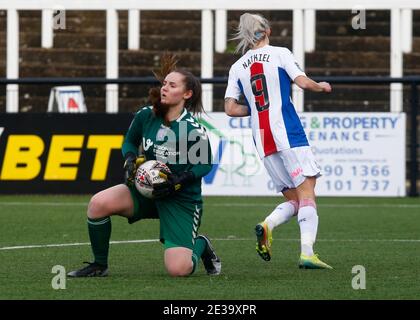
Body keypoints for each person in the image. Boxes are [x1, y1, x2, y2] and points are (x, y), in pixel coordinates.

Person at [68, 55, 221, 277]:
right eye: (164, 83)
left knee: (179, 270)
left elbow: (205, 164)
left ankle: (201, 245)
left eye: (172, 85)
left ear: (187, 94)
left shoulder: (192, 129)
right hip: (146, 190)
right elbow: (129, 141)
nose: (164, 88)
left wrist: (181, 180)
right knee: (98, 203)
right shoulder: (146, 115)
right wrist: (130, 158)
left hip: (180, 199)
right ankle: (99, 265)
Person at [224, 13, 332, 269]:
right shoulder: (280, 53)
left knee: (295, 199)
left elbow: (230, 108)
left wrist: (257, 109)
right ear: (268, 31)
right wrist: (321, 86)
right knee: (307, 193)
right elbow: (302, 82)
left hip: (262, 140)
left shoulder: (237, 67)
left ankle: (267, 225)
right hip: (288, 134)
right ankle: (307, 253)